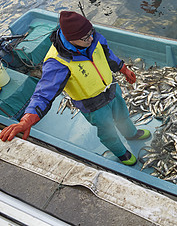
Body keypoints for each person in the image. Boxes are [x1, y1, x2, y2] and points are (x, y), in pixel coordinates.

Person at [0, 11, 150, 166]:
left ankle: (131, 134)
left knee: (123, 115)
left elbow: (107, 55)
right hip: (94, 105)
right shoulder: (57, 62)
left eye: (90, 33)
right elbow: (43, 93)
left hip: (112, 89)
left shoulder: (92, 37)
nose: (91, 38)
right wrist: (27, 120)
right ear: (71, 39)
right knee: (107, 131)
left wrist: (123, 68)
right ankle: (121, 153)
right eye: (85, 37)